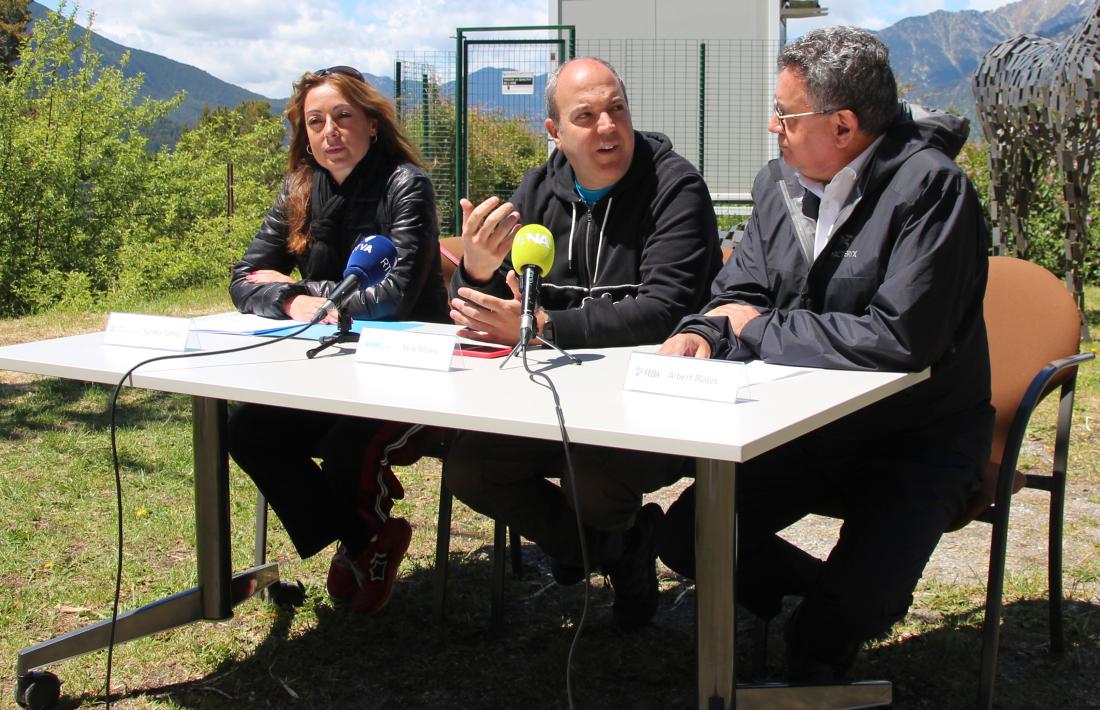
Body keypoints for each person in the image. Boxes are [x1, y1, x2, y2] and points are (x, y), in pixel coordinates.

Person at [656, 27, 994, 680]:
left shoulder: (934, 191)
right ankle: (835, 592)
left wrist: (754, 329)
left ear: (842, 125)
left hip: (919, 439)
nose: (771, 126)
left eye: (785, 114)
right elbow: (738, 293)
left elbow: (899, 341)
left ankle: (842, 609)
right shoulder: (776, 185)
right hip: (809, 428)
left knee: (817, 648)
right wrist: (702, 331)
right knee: (687, 538)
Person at [445, 57, 722, 629]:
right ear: (555, 132)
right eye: (586, 115)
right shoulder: (537, 190)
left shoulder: (675, 188)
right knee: (470, 467)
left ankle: (597, 541)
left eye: (616, 109)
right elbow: (481, 305)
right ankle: (612, 551)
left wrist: (543, 327)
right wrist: (474, 270)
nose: (607, 127)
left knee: (592, 480)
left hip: (650, 407)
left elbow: (664, 312)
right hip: (552, 401)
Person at [227, 66, 449, 614]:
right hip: (326, 370)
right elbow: (245, 278)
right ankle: (364, 538)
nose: (330, 131)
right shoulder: (298, 189)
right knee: (248, 430)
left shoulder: (406, 185)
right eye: (315, 121)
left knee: (344, 446)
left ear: (372, 123)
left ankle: (362, 534)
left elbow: (394, 296)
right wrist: (288, 301)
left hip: (414, 372)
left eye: (343, 116)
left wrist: (302, 290)